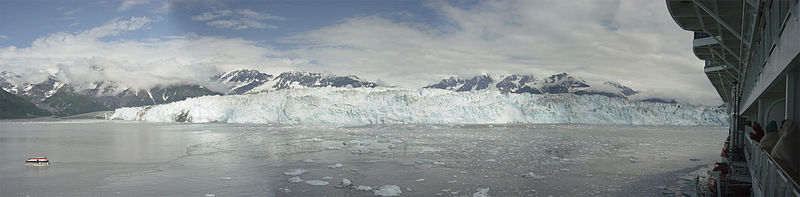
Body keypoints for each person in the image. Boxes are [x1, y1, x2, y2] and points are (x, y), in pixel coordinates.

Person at [771, 119, 799, 184]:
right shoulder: (796, 138)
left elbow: (774, 153)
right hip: (793, 175)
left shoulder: (784, 139)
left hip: (788, 176)